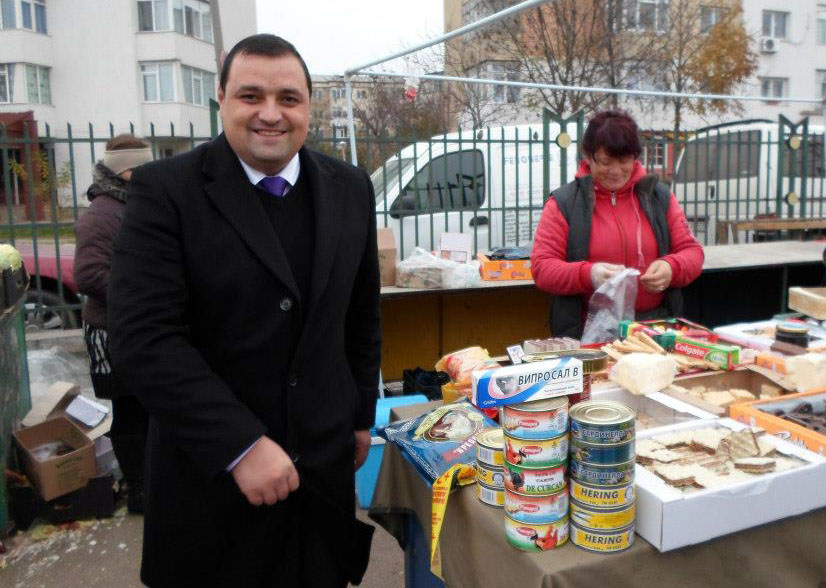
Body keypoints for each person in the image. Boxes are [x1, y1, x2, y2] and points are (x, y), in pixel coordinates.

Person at [107, 34, 381, 587]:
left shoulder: (349, 187)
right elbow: (144, 339)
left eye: (288, 98)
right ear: (222, 100)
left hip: (320, 484)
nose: (271, 114)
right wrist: (240, 445)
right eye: (251, 96)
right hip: (212, 492)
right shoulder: (167, 190)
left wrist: (360, 417)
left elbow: (360, 314)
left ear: (308, 105)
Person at [531, 110, 704, 338]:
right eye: (605, 162)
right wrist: (589, 274)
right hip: (586, 331)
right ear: (588, 156)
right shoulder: (564, 203)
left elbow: (693, 253)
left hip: (654, 328)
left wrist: (671, 268)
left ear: (635, 157)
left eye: (624, 161)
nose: (615, 171)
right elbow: (542, 268)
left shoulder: (659, 197)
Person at [73, 134, 153, 514]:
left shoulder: (132, 204)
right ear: (127, 171)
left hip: (135, 326)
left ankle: (148, 482)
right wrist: (142, 297)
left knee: (145, 408)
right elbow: (88, 275)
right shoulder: (103, 213)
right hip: (113, 331)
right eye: (145, 167)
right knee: (130, 410)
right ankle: (139, 490)